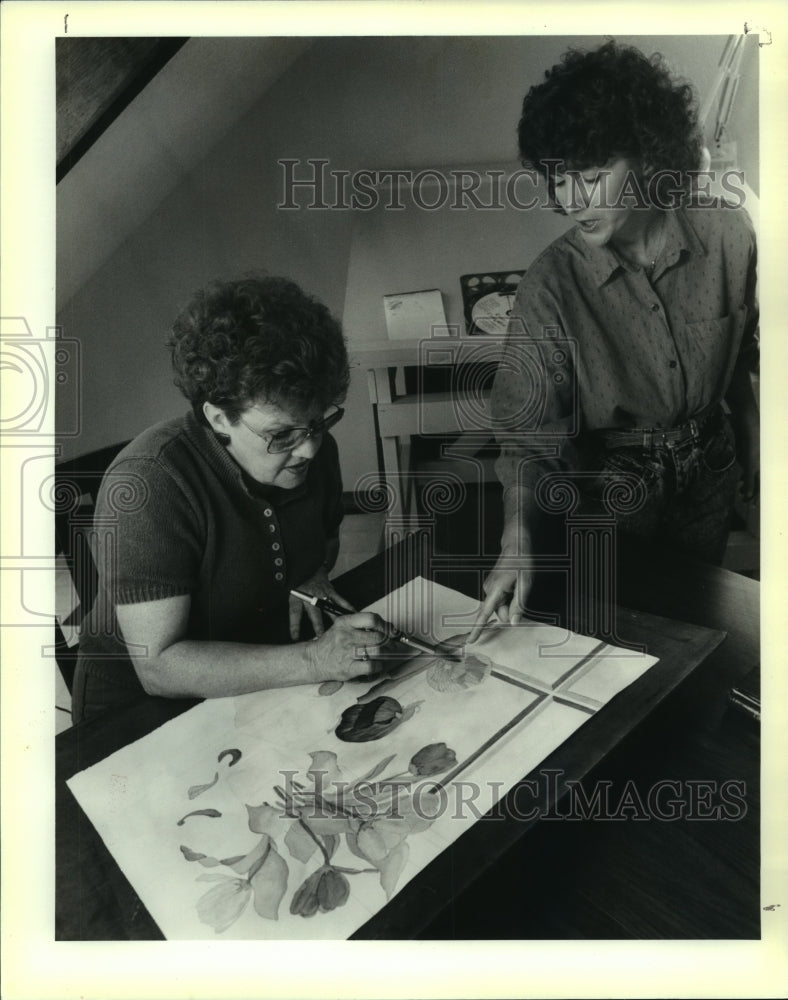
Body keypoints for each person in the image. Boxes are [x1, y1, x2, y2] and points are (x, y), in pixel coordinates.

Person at [470, 41, 759, 639]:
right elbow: (526, 438)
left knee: (696, 631)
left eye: (594, 177)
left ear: (650, 158)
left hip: (710, 475)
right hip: (610, 495)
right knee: (620, 637)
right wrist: (517, 538)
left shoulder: (729, 237)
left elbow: (745, 366)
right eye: (559, 180)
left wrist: (753, 453)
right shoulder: (551, 285)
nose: (571, 201)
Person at [73, 275, 391, 722]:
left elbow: (315, 541)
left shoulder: (314, 450)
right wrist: (315, 660)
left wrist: (310, 574)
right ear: (219, 416)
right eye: (281, 435)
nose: (310, 449)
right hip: (137, 710)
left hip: (252, 663)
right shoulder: (149, 484)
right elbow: (158, 666)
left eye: (319, 422)